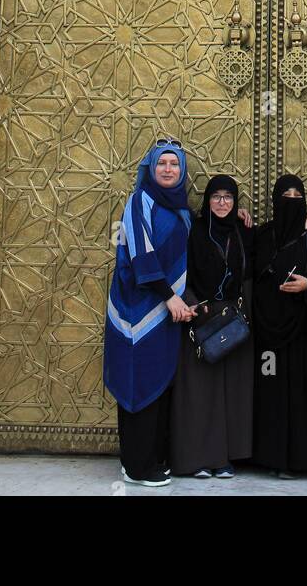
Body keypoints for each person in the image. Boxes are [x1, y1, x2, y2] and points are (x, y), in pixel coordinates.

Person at [103, 137, 194, 488]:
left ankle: (154, 457)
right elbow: (141, 253)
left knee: (160, 380)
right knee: (137, 378)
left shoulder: (182, 209)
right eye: (162, 164)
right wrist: (169, 296)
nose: (168, 170)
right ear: (151, 169)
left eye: (174, 164)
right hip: (136, 308)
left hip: (168, 310)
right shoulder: (140, 200)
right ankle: (136, 466)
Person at [251, 173, 307, 476]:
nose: (291, 201)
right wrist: (238, 212)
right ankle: (274, 458)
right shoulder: (264, 235)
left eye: (296, 196)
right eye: (285, 196)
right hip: (269, 332)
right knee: (273, 393)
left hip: (306, 332)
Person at [170, 174, 254, 479]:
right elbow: (181, 270)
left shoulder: (241, 233)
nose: (222, 203)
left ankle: (225, 459)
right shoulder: (193, 230)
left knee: (231, 394)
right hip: (201, 318)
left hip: (231, 321)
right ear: (207, 200)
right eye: (216, 197)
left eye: (228, 198)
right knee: (200, 393)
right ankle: (197, 459)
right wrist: (192, 303)